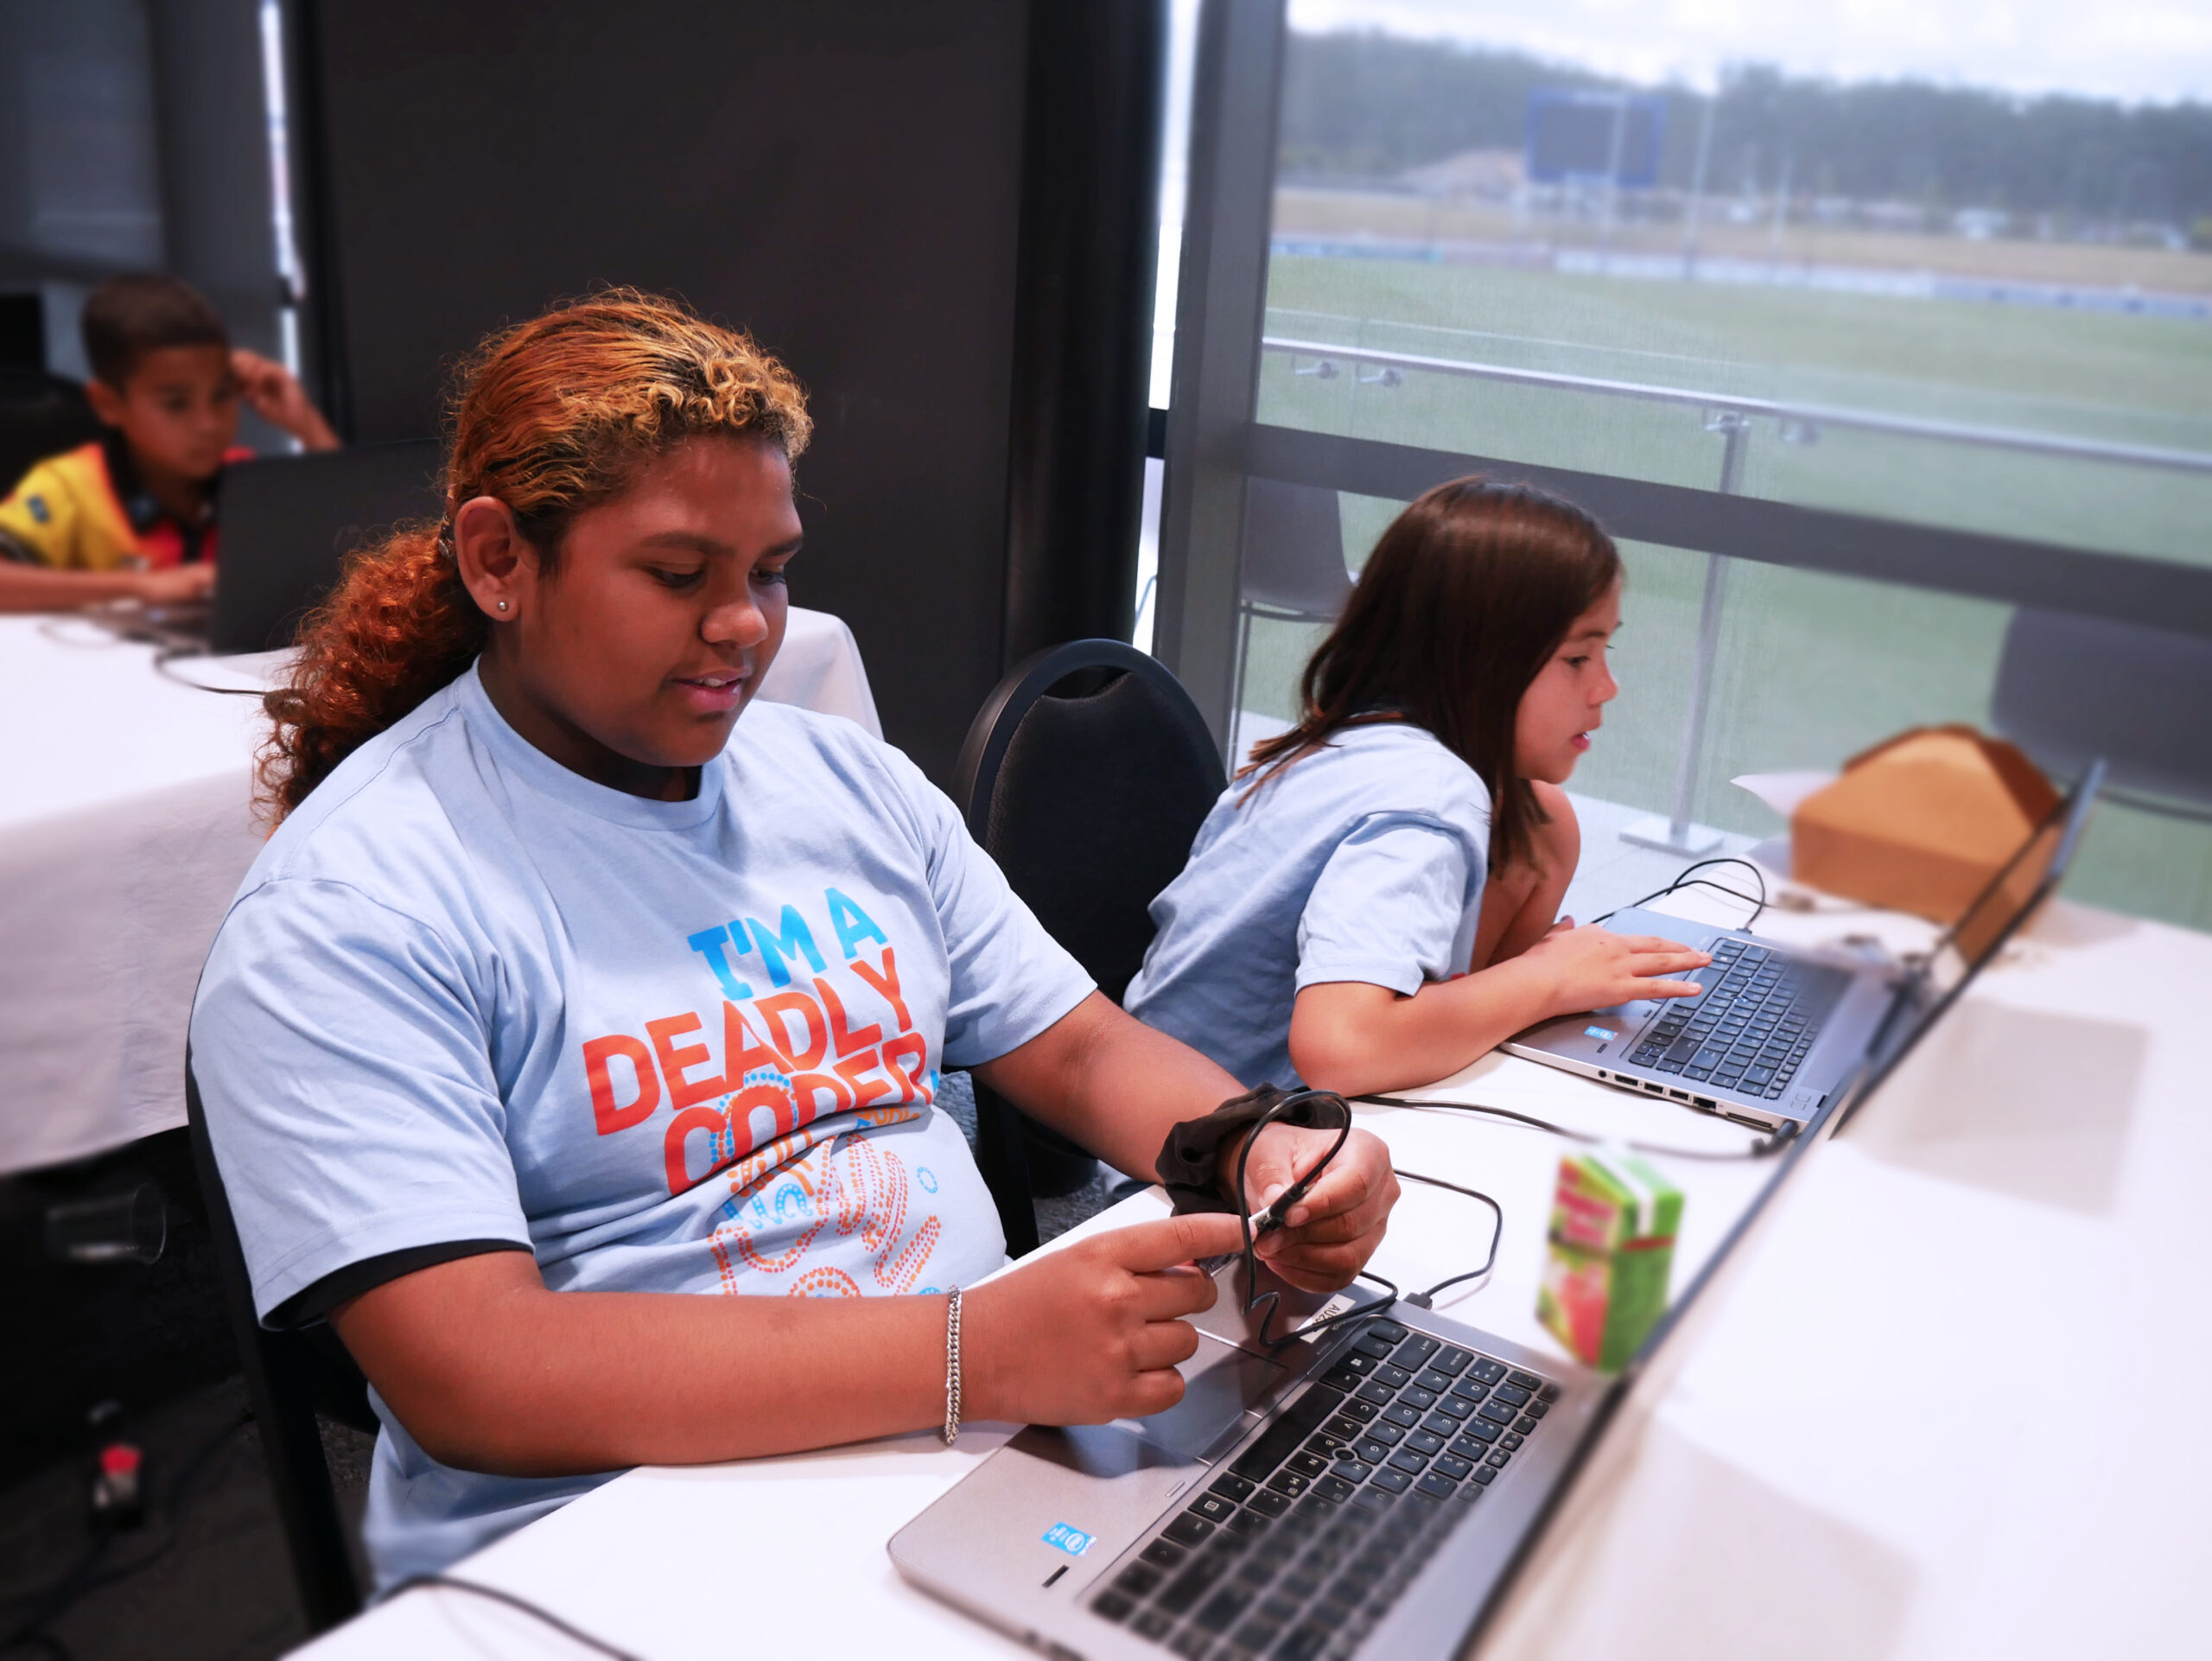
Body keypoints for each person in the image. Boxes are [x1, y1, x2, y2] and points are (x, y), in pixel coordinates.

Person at [188, 290, 1400, 1588]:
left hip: (971, 1449)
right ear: (498, 562)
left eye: (770, 569)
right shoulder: (354, 906)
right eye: (677, 574)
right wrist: (969, 1353)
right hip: (627, 1545)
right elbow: (479, 1377)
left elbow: (1085, 1052)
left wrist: (1262, 1149)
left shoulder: (845, 784)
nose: (747, 625)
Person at [1125, 477, 1713, 1098]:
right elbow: (1342, 1048)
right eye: (1577, 659)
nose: (1607, 687)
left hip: (1175, 1095)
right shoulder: (1429, 793)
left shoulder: (1359, 742)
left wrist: (1531, 983)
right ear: (1478, 658)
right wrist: (1545, 978)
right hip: (1209, 1149)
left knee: (1543, 823)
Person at [0, 273, 339, 614]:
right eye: (176, 403)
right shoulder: (69, 488)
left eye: (222, 395)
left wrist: (306, 424)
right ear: (108, 404)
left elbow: (362, 547)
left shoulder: (246, 479)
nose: (209, 424)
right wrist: (138, 586)